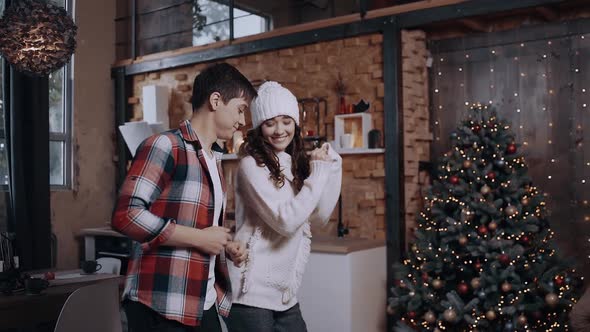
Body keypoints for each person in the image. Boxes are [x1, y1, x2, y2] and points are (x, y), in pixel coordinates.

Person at [112, 63, 254, 332]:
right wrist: (200, 238)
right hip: (161, 304)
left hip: (202, 304)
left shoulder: (215, 159)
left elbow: (197, 225)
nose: (242, 121)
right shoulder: (165, 145)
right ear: (216, 100)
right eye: (240, 108)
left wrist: (225, 245)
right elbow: (126, 215)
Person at [227, 81, 342, 332]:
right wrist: (318, 174)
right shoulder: (251, 166)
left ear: (296, 125)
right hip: (250, 293)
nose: (280, 130)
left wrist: (332, 169)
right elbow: (286, 221)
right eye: (270, 123)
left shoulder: (293, 164)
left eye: (286, 121)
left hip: (284, 293)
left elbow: (319, 216)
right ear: (259, 128)